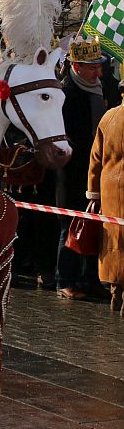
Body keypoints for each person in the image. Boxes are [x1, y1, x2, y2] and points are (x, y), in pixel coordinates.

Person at [55, 36, 108, 300]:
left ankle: (91, 279)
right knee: (70, 227)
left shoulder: (100, 89)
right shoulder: (66, 95)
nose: (98, 71)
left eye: (98, 66)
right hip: (74, 172)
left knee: (95, 227)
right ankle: (64, 280)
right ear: (76, 67)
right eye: (92, 67)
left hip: (97, 172)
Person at [86, 80, 124, 315]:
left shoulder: (109, 117)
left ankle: (115, 292)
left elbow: (95, 160)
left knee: (113, 243)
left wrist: (94, 194)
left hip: (110, 191)